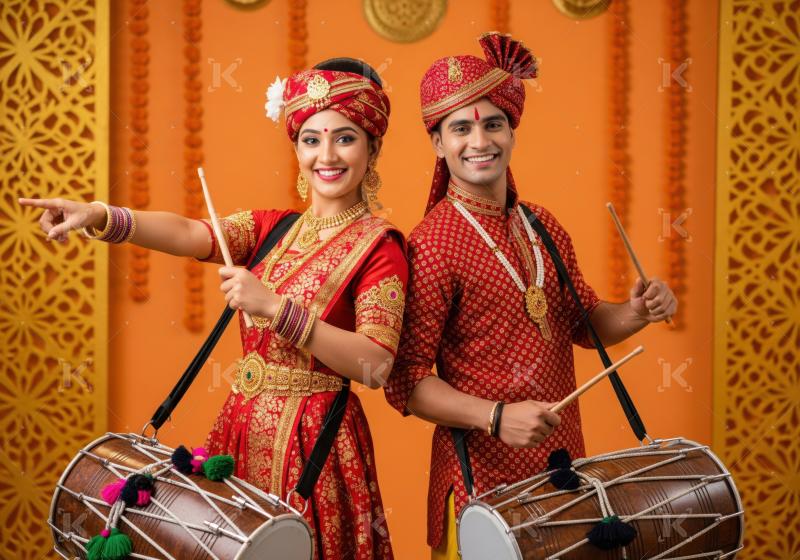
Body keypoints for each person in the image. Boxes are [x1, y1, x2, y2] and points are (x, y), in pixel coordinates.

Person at [21, 57, 405, 560]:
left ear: (373, 146)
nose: (326, 155)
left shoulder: (382, 247)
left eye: (345, 138)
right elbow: (188, 233)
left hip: (318, 441)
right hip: (240, 427)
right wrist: (100, 214)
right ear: (296, 148)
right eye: (311, 139)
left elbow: (376, 365)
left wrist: (274, 308)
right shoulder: (276, 228)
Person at [383, 33, 677, 559]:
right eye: (461, 128)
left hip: (562, 474)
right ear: (437, 143)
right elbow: (405, 383)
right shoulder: (431, 243)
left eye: (493, 124)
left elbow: (585, 323)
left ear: (512, 133)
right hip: (479, 488)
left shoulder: (542, 226)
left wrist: (636, 312)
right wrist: (496, 416)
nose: (480, 141)